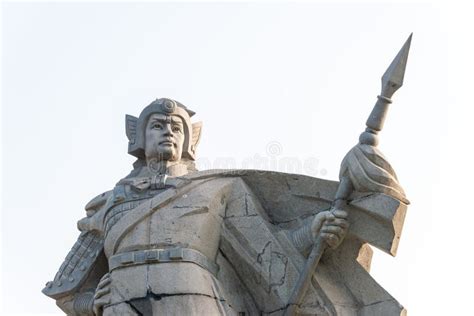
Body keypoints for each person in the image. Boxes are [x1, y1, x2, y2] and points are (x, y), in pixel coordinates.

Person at [43, 98, 406, 315]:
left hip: (195, 298)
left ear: (189, 140)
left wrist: (312, 232)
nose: (168, 131)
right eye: (157, 125)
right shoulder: (110, 203)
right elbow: (66, 288)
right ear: (138, 137)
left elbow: (266, 254)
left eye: (176, 126)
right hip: (122, 303)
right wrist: (90, 304)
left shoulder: (218, 190)